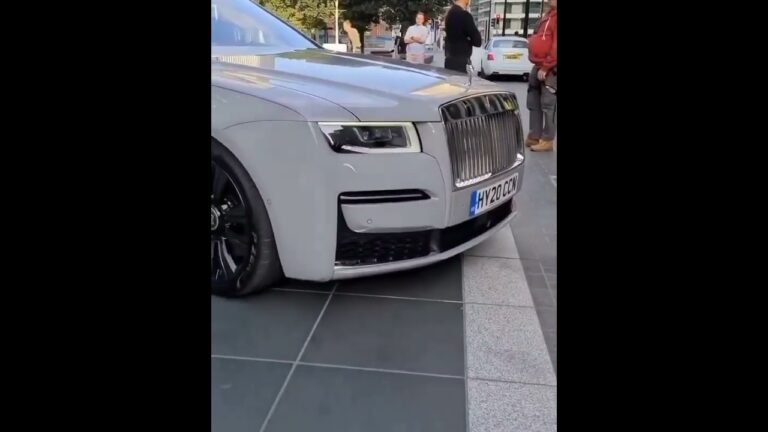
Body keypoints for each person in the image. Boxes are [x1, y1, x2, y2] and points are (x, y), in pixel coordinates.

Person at [526, 0, 557, 152]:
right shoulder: (547, 16)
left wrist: (546, 66)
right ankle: (534, 135)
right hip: (538, 65)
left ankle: (547, 139)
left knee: (548, 104)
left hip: (550, 67)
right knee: (533, 101)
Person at [443, 0, 482, 73]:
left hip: (449, 61)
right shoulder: (465, 15)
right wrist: (468, 40)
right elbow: (478, 41)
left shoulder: (449, 15)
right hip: (462, 63)